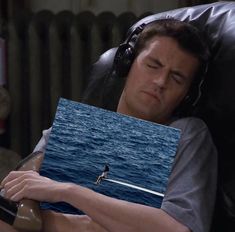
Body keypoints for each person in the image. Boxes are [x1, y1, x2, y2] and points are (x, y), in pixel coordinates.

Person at [0, 18, 217, 232]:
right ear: (127, 63)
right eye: (153, 65)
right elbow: (11, 213)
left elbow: (176, 229)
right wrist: (87, 224)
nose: (160, 82)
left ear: (187, 96)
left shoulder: (188, 133)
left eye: (177, 78)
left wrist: (68, 192)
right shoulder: (74, 129)